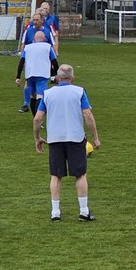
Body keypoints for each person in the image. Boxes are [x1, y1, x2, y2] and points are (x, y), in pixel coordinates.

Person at [34, 64, 100, 222]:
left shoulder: (48, 94)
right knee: (80, 174)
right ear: (73, 78)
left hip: (55, 139)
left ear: (57, 78)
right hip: (76, 138)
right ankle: (84, 211)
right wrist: (95, 137)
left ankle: (55, 212)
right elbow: (88, 115)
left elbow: (38, 118)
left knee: (56, 175)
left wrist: (37, 137)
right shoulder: (79, 92)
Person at [16, 12, 55, 113]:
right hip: (30, 60)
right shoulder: (28, 31)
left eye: (37, 20)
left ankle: (34, 109)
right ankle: (26, 104)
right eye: (34, 19)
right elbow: (24, 44)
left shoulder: (47, 31)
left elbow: (52, 45)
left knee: (36, 87)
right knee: (28, 85)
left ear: (42, 20)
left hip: (43, 62)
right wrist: (23, 58)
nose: (35, 22)